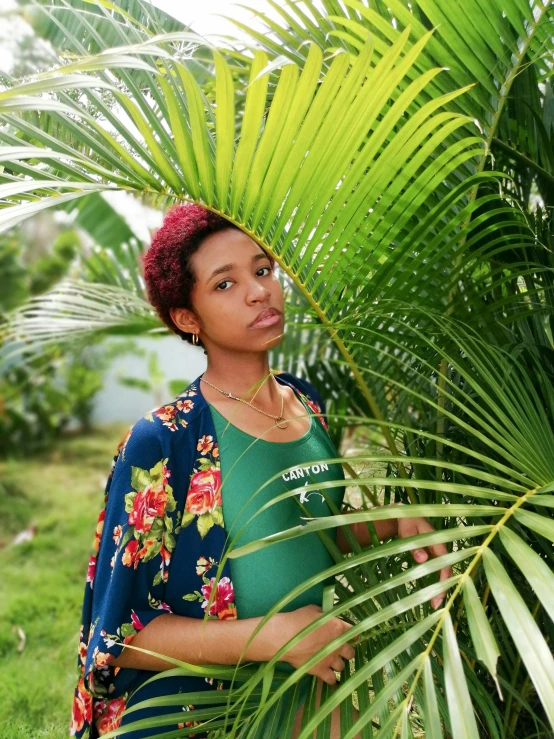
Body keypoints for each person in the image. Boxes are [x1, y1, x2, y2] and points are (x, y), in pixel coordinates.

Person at [70, 203, 452, 739]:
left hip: (312, 698)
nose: (258, 291)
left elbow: (305, 532)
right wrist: (269, 638)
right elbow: (119, 639)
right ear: (188, 318)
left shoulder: (306, 405)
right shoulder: (164, 441)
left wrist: (396, 521)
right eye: (225, 285)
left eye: (263, 270)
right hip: (197, 715)